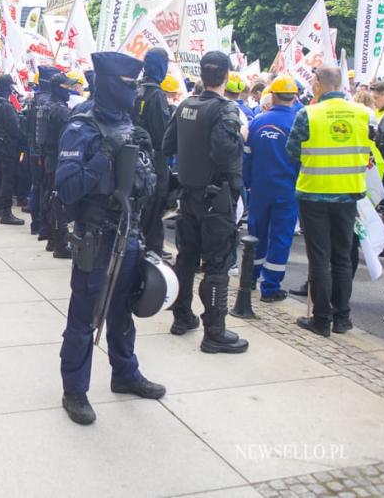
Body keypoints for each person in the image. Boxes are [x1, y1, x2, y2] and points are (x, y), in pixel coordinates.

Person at [57, 51, 166, 426]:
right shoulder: (82, 126)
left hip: (129, 230)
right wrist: (105, 154)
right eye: (127, 84)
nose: (135, 91)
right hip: (96, 236)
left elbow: (144, 186)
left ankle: (125, 373)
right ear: (106, 84)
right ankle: (74, 389)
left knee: (123, 312)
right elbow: (68, 187)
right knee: (85, 317)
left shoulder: (129, 123)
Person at [162, 51, 249, 354]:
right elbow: (225, 153)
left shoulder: (186, 105)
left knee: (186, 259)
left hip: (189, 195)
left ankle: (182, 316)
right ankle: (215, 331)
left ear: (201, 74)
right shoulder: (226, 111)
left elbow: (167, 144)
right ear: (226, 75)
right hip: (216, 198)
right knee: (217, 264)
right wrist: (240, 136)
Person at [287, 65, 378, 336]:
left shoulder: (309, 114)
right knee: (342, 257)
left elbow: (292, 150)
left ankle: (321, 318)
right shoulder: (364, 114)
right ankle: (342, 317)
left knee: (319, 258)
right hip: (349, 194)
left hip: (314, 193)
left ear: (317, 82)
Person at [243, 76, 300, 303]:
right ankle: (270, 287)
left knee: (256, 234)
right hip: (287, 190)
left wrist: (248, 183)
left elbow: (247, 158)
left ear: (273, 96)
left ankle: (250, 278)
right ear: (294, 97)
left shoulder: (257, 121)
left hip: (259, 189)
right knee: (281, 237)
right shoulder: (298, 123)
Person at [133, 47, 173, 261]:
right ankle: (151, 258)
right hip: (153, 164)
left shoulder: (137, 89)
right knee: (153, 216)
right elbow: (161, 135)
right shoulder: (156, 95)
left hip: (136, 161)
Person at [40, 73, 77, 258]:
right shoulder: (60, 110)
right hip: (57, 157)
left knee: (50, 197)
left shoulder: (45, 105)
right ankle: (60, 244)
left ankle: (52, 239)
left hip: (48, 156)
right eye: (67, 86)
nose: (70, 90)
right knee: (59, 202)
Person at [0, 74, 26, 225]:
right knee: (7, 179)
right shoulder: (6, 106)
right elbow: (15, 129)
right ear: (9, 87)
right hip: (8, 146)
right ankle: (6, 212)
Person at [28, 66, 60, 235]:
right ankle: (41, 224)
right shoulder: (47, 101)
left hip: (34, 146)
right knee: (43, 188)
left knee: (36, 185)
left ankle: (36, 223)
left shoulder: (35, 99)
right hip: (43, 150)